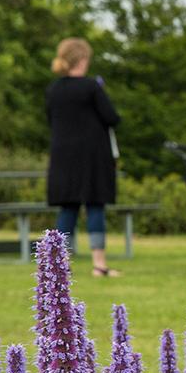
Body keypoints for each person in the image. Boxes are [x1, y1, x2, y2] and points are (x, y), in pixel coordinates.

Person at [45, 37, 122, 277]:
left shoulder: (53, 89)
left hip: (63, 157)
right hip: (92, 157)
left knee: (68, 208)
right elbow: (112, 117)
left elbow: (50, 121)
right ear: (82, 59)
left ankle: (57, 264)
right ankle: (99, 264)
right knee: (95, 206)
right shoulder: (91, 87)